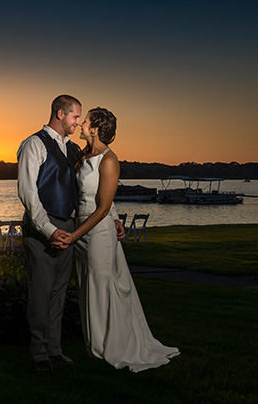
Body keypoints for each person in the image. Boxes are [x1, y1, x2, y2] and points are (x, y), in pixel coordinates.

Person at [17, 95, 124, 373]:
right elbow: (28, 194)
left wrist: (112, 216)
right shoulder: (34, 144)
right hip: (44, 229)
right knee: (40, 291)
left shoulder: (74, 149)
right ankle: (38, 353)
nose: (79, 122)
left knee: (59, 291)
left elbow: (91, 189)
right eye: (76, 117)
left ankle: (55, 349)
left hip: (69, 226)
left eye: (80, 119)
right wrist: (49, 230)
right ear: (60, 113)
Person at [68, 107, 179, 372]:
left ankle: (115, 347)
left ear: (94, 128)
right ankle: (96, 346)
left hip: (96, 232)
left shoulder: (109, 159)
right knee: (88, 287)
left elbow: (103, 207)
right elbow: (104, 200)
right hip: (83, 227)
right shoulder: (84, 155)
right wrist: (115, 218)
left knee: (103, 288)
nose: (81, 124)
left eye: (85, 121)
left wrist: (74, 235)